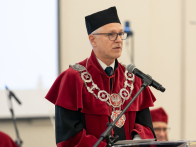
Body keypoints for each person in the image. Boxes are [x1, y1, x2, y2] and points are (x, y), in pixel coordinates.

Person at [45, 6, 157, 147]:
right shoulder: (73, 78)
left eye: (121, 34)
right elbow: (69, 137)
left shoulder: (134, 78)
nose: (118, 40)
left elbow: (146, 127)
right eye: (111, 34)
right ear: (93, 40)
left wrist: (136, 141)